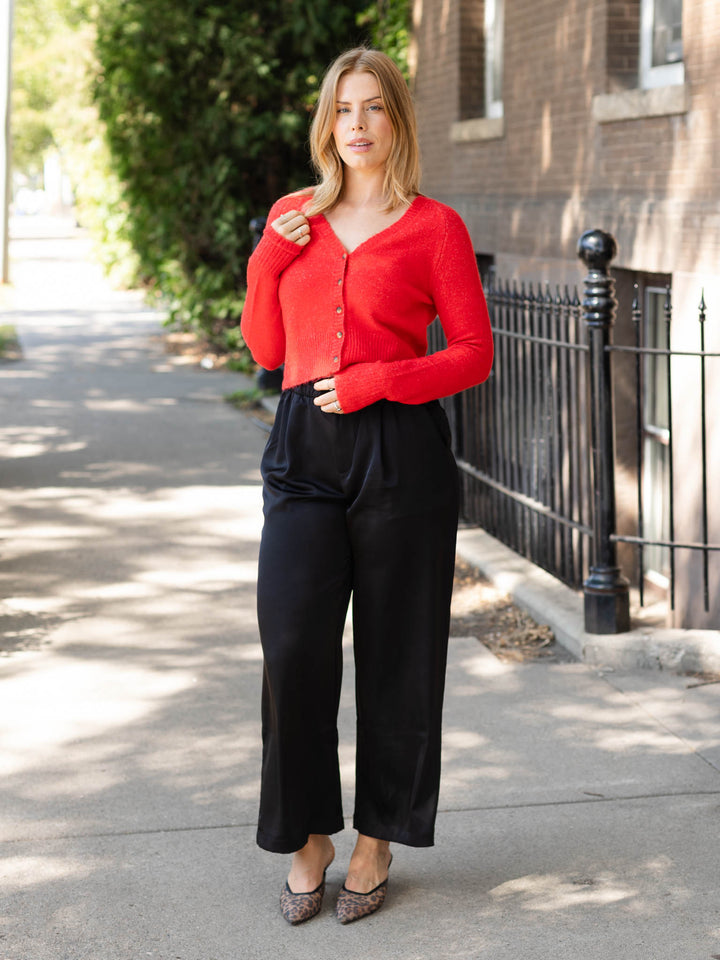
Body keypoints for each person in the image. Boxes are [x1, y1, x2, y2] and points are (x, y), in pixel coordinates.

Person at [241, 47, 493, 925]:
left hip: (400, 452)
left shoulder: (435, 228)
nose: (358, 124)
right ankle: (308, 836)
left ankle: (378, 839)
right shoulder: (292, 217)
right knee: (293, 645)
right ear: (328, 123)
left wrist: (382, 379)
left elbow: (473, 354)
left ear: (397, 121)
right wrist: (266, 262)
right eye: (345, 108)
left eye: (375, 107)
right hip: (303, 450)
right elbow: (266, 349)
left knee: (400, 653)